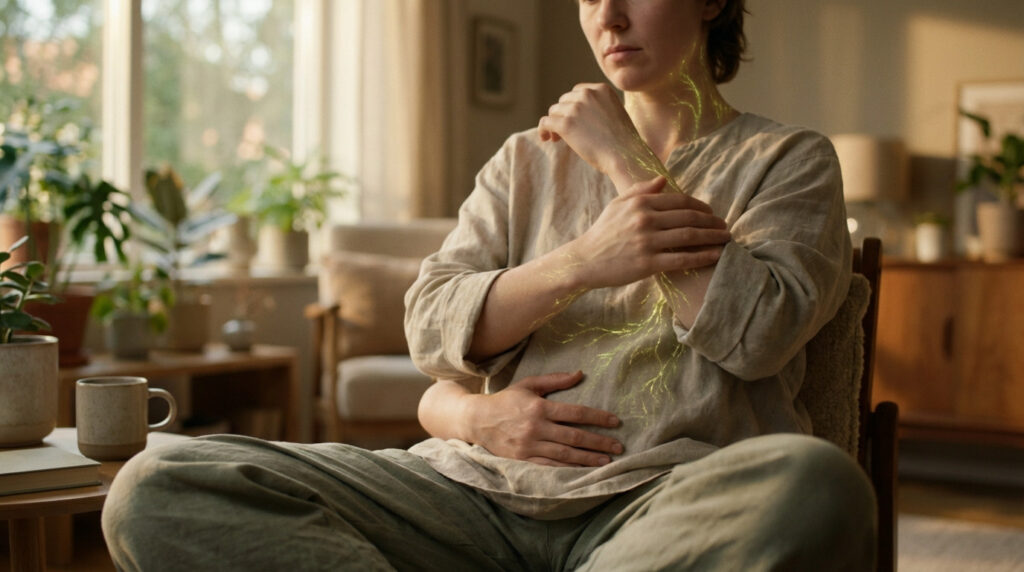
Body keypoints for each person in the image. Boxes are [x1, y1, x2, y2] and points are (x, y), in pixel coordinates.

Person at [102, 1, 877, 570]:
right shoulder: (524, 160)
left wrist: (623, 160)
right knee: (158, 482)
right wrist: (581, 262)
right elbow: (431, 325)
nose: (606, 16)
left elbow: (758, 337)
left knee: (816, 487)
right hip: (468, 497)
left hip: (658, 508)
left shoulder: (788, 160)